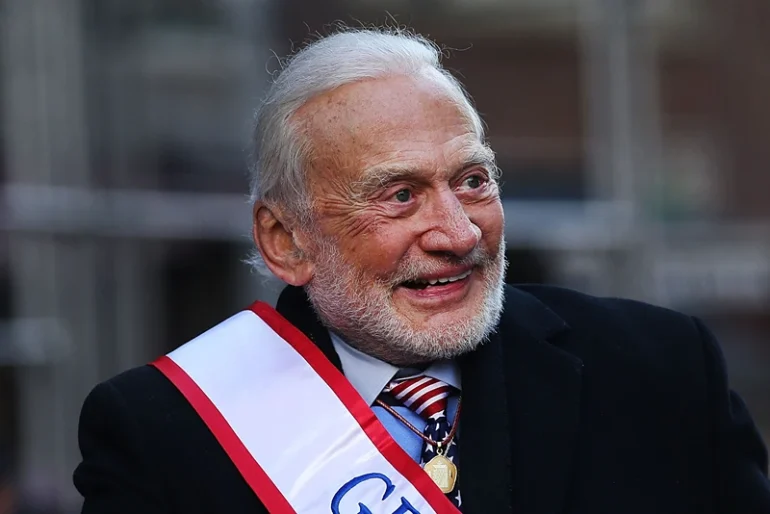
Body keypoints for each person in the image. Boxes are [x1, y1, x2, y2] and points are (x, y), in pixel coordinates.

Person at [73, 27, 770, 513]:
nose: (459, 233)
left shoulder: (661, 369)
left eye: (472, 180)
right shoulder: (166, 432)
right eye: (400, 195)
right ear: (285, 239)